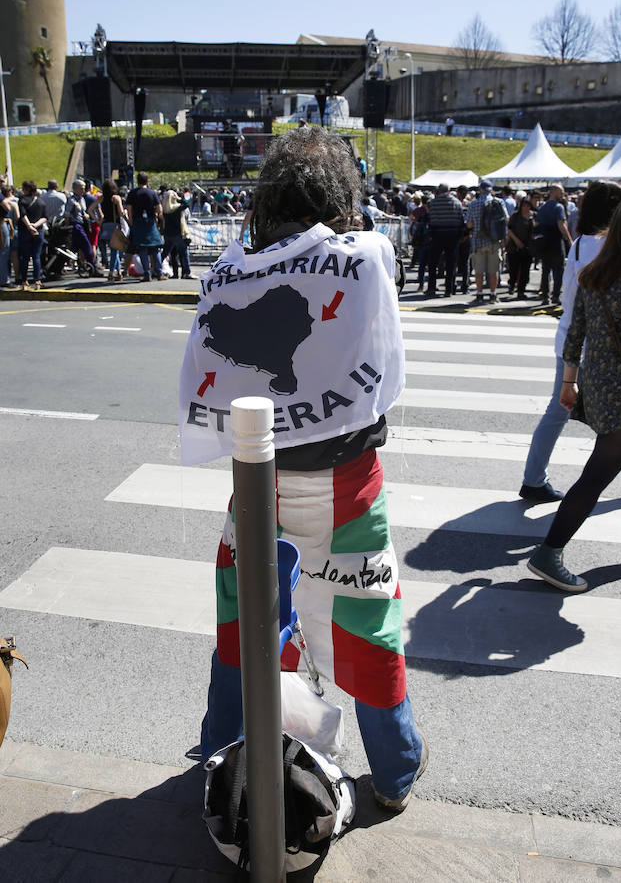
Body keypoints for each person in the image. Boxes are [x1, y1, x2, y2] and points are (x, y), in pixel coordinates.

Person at [194, 126, 428, 812]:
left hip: (257, 486)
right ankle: (394, 771)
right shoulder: (365, 259)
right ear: (342, 199)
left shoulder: (231, 270)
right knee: (367, 626)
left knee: (244, 627)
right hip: (349, 489)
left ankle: (221, 750)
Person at [527, 192, 621, 591]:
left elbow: (574, 333)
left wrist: (569, 383)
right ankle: (549, 552)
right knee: (597, 476)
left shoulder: (594, 273)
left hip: (598, 385)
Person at [520, 181, 621, 504]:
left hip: (571, 340)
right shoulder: (616, 245)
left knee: (558, 411)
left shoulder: (581, 244)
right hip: (604, 348)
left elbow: (570, 301)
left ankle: (533, 478)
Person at [466, 180, 508, 305]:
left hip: (478, 241)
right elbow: (506, 219)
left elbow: (469, 224)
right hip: (494, 241)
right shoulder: (499, 202)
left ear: (480, 190)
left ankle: (479, 294)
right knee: (493, 270)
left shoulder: (473, 204)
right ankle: (493, 294)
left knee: (479, 270)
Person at [535, 183, 573, 306]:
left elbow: (536, 224)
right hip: (556, 241)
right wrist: (569, 239)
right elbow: (561, 225)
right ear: (554, 192)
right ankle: (555, 295)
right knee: (558, 270)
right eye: (561, 192)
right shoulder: (558, 207)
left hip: (544, 241)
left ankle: (545, 295)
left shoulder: (542, 207)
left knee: (545, 270)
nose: (562, 195)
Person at [427, 183, 464, 298]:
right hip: (452, 234)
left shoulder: (433, 203)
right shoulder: (456, 202)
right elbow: (461, 219)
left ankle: (431, 288)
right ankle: (449, 289)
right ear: (449, 190)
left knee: (433, 263)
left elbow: (431, 220)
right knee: (451, 263)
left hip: (437, 234)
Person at [125, 172, 164, 282]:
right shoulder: (152, 192)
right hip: (150, 222)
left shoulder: (132, 193)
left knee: (142, 248)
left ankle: (147, 274)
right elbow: (159, 209)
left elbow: (128, 208)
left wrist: (131, 221)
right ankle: (159, 272)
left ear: (137, 181)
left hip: (138, 221)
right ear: (147, 180)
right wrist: (155, 215)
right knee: (155, 248)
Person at [17, 180, 48, 290]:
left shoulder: (22, 201)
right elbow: (45, 217)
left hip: (25, 231)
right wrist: (35, 225)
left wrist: (29, 226)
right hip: (38, 230)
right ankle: (37, 280)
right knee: (36, 256)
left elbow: (23, 215)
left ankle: (24, 281)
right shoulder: (41, 202)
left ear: (26, 189)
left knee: (25, 257)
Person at [65, 179, 99, 276]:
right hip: (76, 225)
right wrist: (67, 226)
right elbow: (67, 214)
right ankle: (92, 266)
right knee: (87, 246)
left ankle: (86, 266)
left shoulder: (82, 199)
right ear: (75, 189)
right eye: (81, 189)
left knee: (82, 247)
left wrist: (86, 216)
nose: (83, 190)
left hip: (83, 224)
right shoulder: (71, 200)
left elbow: (83, 211)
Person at [161, 189, 195, 279]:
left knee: (165, 253)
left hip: (168, 234)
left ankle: (156, 269)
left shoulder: (165, 210)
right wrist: (179, 198)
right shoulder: (176, 208)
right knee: (184, 254)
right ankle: (187, 272)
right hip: (178, 233)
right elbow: (186, 204)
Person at [97, 179, 126, 282]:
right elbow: (121, 213)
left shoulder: (102, 198)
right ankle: (111, 273)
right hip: (115, 225)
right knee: (115, 250)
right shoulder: (116, 198)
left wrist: (98, 220)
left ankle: (119, 273)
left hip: (105, 226)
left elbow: (90, 209)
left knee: (114, 250)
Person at [505, 197, 533, 298]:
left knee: (525, 271)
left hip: (527, 247)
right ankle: (512, 284)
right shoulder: (515, 216)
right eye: (524, 205)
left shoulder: (532, 216)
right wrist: (517, 241)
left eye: (528, 206)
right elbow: (509, 230)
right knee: (514, 269)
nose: (526, 208)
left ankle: (521, 290)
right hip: (514, 247)